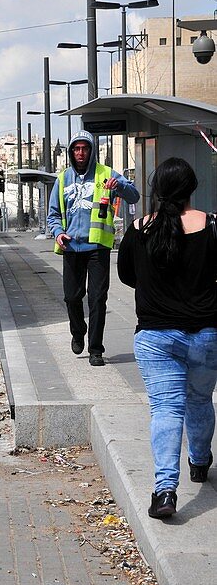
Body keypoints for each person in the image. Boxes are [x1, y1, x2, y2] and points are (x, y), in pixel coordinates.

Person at [117, 157, 217, 520]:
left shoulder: (138, 228)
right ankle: (200, 461)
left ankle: (164, 492)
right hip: (206, 334)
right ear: (192, 188)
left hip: (155, 337)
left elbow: (128, 276)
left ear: (156, 189)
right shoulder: (211, 225)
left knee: (166, 409)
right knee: (200, 400)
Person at [47, 130, 139, 366]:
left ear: (91, 151)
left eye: (84, 148)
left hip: (98, 247)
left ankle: (95, 349)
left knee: (98, 299)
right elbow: (53, 216)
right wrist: (58, 233)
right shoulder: (62, 179)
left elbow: (134, 196)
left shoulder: (106, 174)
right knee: (71, 297)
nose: (80, 153)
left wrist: (119, 186)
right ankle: (78, 332)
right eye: (76, 149)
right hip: (71, 247)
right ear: (71, 152)